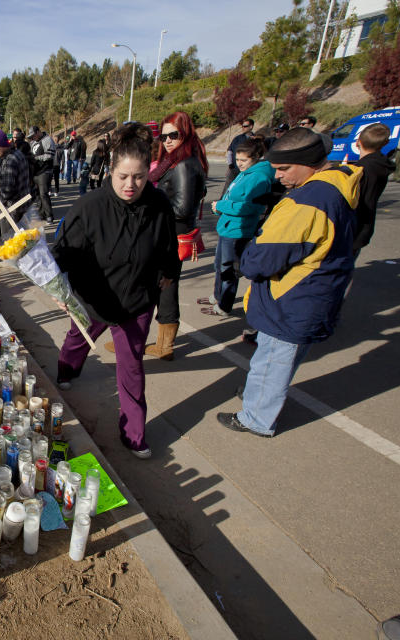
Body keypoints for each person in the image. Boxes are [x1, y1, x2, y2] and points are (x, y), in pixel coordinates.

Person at [217, 127, 361, 438]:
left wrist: (247, 259)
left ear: (308, 162)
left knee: (272, 361)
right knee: (281, 361)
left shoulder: (307, 202)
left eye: (284, 169)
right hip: (316, 293)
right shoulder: (338, 185)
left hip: (292, 299)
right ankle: (261, 399)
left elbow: (263, 260)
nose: (278, 176)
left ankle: (256, 418)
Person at [53, 123, 180, 458]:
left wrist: (169, 273)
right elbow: (63, 253)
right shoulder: (90, 206)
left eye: (139, 177)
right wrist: (61, 290)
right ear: (111, 171)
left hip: (135, 302)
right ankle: (66, 370)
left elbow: (169, 248)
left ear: (147, 173)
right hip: (93, 296)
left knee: (132, 366)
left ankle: (134, 434)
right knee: (77, 338)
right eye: (123, 176)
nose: (130, 184)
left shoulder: (159, 205)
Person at [141, 111, 208, 361]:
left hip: (171, 234)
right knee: (163, 286)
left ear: (186, 134)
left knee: (165, 286)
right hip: (169, 231)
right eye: (164, 135)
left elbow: (182, 208)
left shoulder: (184, 164)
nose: (167, 140)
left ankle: (163, 344)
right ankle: (159, 342)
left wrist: (152, 206)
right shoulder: (178, 160)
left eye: (173, 135)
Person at [204, 137, 274, 316]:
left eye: (244, 160)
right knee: (219, 265)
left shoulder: (259, 177)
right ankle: (217, 295)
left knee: (229, 270)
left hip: (238, 229)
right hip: (227, 226)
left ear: (256, 157)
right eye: (238, 159)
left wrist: (221, 206)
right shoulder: (246, 173)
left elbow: (252, 207)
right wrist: (221, 208)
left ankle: (224, 305)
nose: (240, 163)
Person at [351, 123, 391, 255]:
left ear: (358, 142)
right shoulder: (381, 165)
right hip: (365, 224)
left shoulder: (361, 170)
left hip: (352, 226)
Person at [0, 129, 32, 228]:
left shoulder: (9, 161)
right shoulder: (18, 154)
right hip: (24, 206)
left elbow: (6, 191)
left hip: (12, 209)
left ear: (3, 146)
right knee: (24, 239)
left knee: (10, 241)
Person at [27, 126, 56, 222]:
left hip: (45, 171)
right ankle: (41, 214)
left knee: (43, 193)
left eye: (33, 135)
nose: (33, 137)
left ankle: (49, 215)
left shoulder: (47, 140)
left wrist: (37, 158)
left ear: (38, 132)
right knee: (37, 195)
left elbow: (50, 155)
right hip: (35, 172)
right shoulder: (33, 142)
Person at [222, 118, 254, 198]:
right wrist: (230, 164)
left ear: (251, 126)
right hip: (234, 169)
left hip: (248, 171)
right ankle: (219, 206)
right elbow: (230, 151)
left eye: (245, 126)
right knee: (227, 188)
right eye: (242, 126)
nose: (243, 128)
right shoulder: (237, 138)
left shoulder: (255, 139)